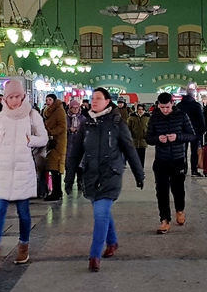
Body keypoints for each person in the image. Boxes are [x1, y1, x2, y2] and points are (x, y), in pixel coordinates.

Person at [65, 88, 144, 271]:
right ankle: (113, 241)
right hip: (91, 175)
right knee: (103, 212)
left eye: (98, 98)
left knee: (100, 214)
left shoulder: (117, 123)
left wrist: (139, 173)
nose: (94, 101)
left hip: (111, 174)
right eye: (92, 98)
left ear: (108, 101)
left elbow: (129, 149)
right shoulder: (87, 124)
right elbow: (76, 154)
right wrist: (69, 178)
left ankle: (94, 255)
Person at [0, 79, 48, 270]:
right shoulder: (1, 117)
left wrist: (29, 139)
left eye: (18, 96)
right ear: (5, 98)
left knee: (23, 212)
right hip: (2, 170)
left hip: (23, 171)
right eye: (11, 97)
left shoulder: (32, 115)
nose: (15, 101)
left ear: (23, 96)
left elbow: (44, 137)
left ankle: (24, 245)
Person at [144, 92, 195, 234]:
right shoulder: (154, 117)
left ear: (172, 104)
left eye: (167, 107)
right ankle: (164, 220)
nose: (164, 110)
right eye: (162, 107)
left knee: (178, 189)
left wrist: (178, 137)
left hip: (178, 159)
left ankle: (180, 209)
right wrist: (158, 139)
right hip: (161, 160)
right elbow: (148, 138)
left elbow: (191, 135)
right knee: (161, 191)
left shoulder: (182, 116)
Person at [41, 94, 67, 201]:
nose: (48, 101)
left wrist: (51, 133)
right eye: (47, 99)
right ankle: (56, 191)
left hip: (57, 142)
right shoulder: (48, 110)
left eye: (50, 99)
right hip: (51, 141)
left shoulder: (59, 111)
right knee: (52, 167)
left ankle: (57, 192)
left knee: (55, 167)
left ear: (54, 100)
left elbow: (62, 126)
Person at [176, 88, 206, 177]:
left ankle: (183, 169)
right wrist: (203, 130)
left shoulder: (179, 105)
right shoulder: (197, 105)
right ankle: (194, 170)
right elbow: (201, 118)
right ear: (194, 95)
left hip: (182, 132)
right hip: (195, 132)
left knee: (182, 151)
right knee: (194, 152)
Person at [65, 98, 86, 193]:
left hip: (80, 144)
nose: (75, 109)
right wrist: (69, 130)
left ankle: (80, 183)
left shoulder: (82, 119)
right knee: (69, 164)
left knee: (80, 165)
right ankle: (68, 184)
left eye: (77, 108)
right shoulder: (66, 118)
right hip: (69, 144)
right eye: (73, 108)